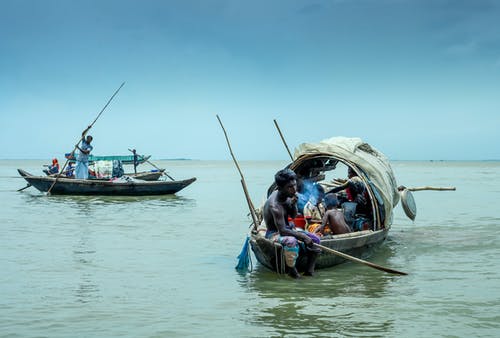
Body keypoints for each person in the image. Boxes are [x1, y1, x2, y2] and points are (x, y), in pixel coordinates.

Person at [263, 168, 321, 278]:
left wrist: (294, 204)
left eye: (294, 185)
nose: (294, 190)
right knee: (291, 241)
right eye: (290, 187)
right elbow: (283, 231)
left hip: (288, 229)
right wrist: (303, 237)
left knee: (315, 239)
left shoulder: (287, 196)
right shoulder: (275, 206)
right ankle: (292, 271)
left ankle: (309, 270)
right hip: (275, 233)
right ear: (280, 188)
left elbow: (293, 216)